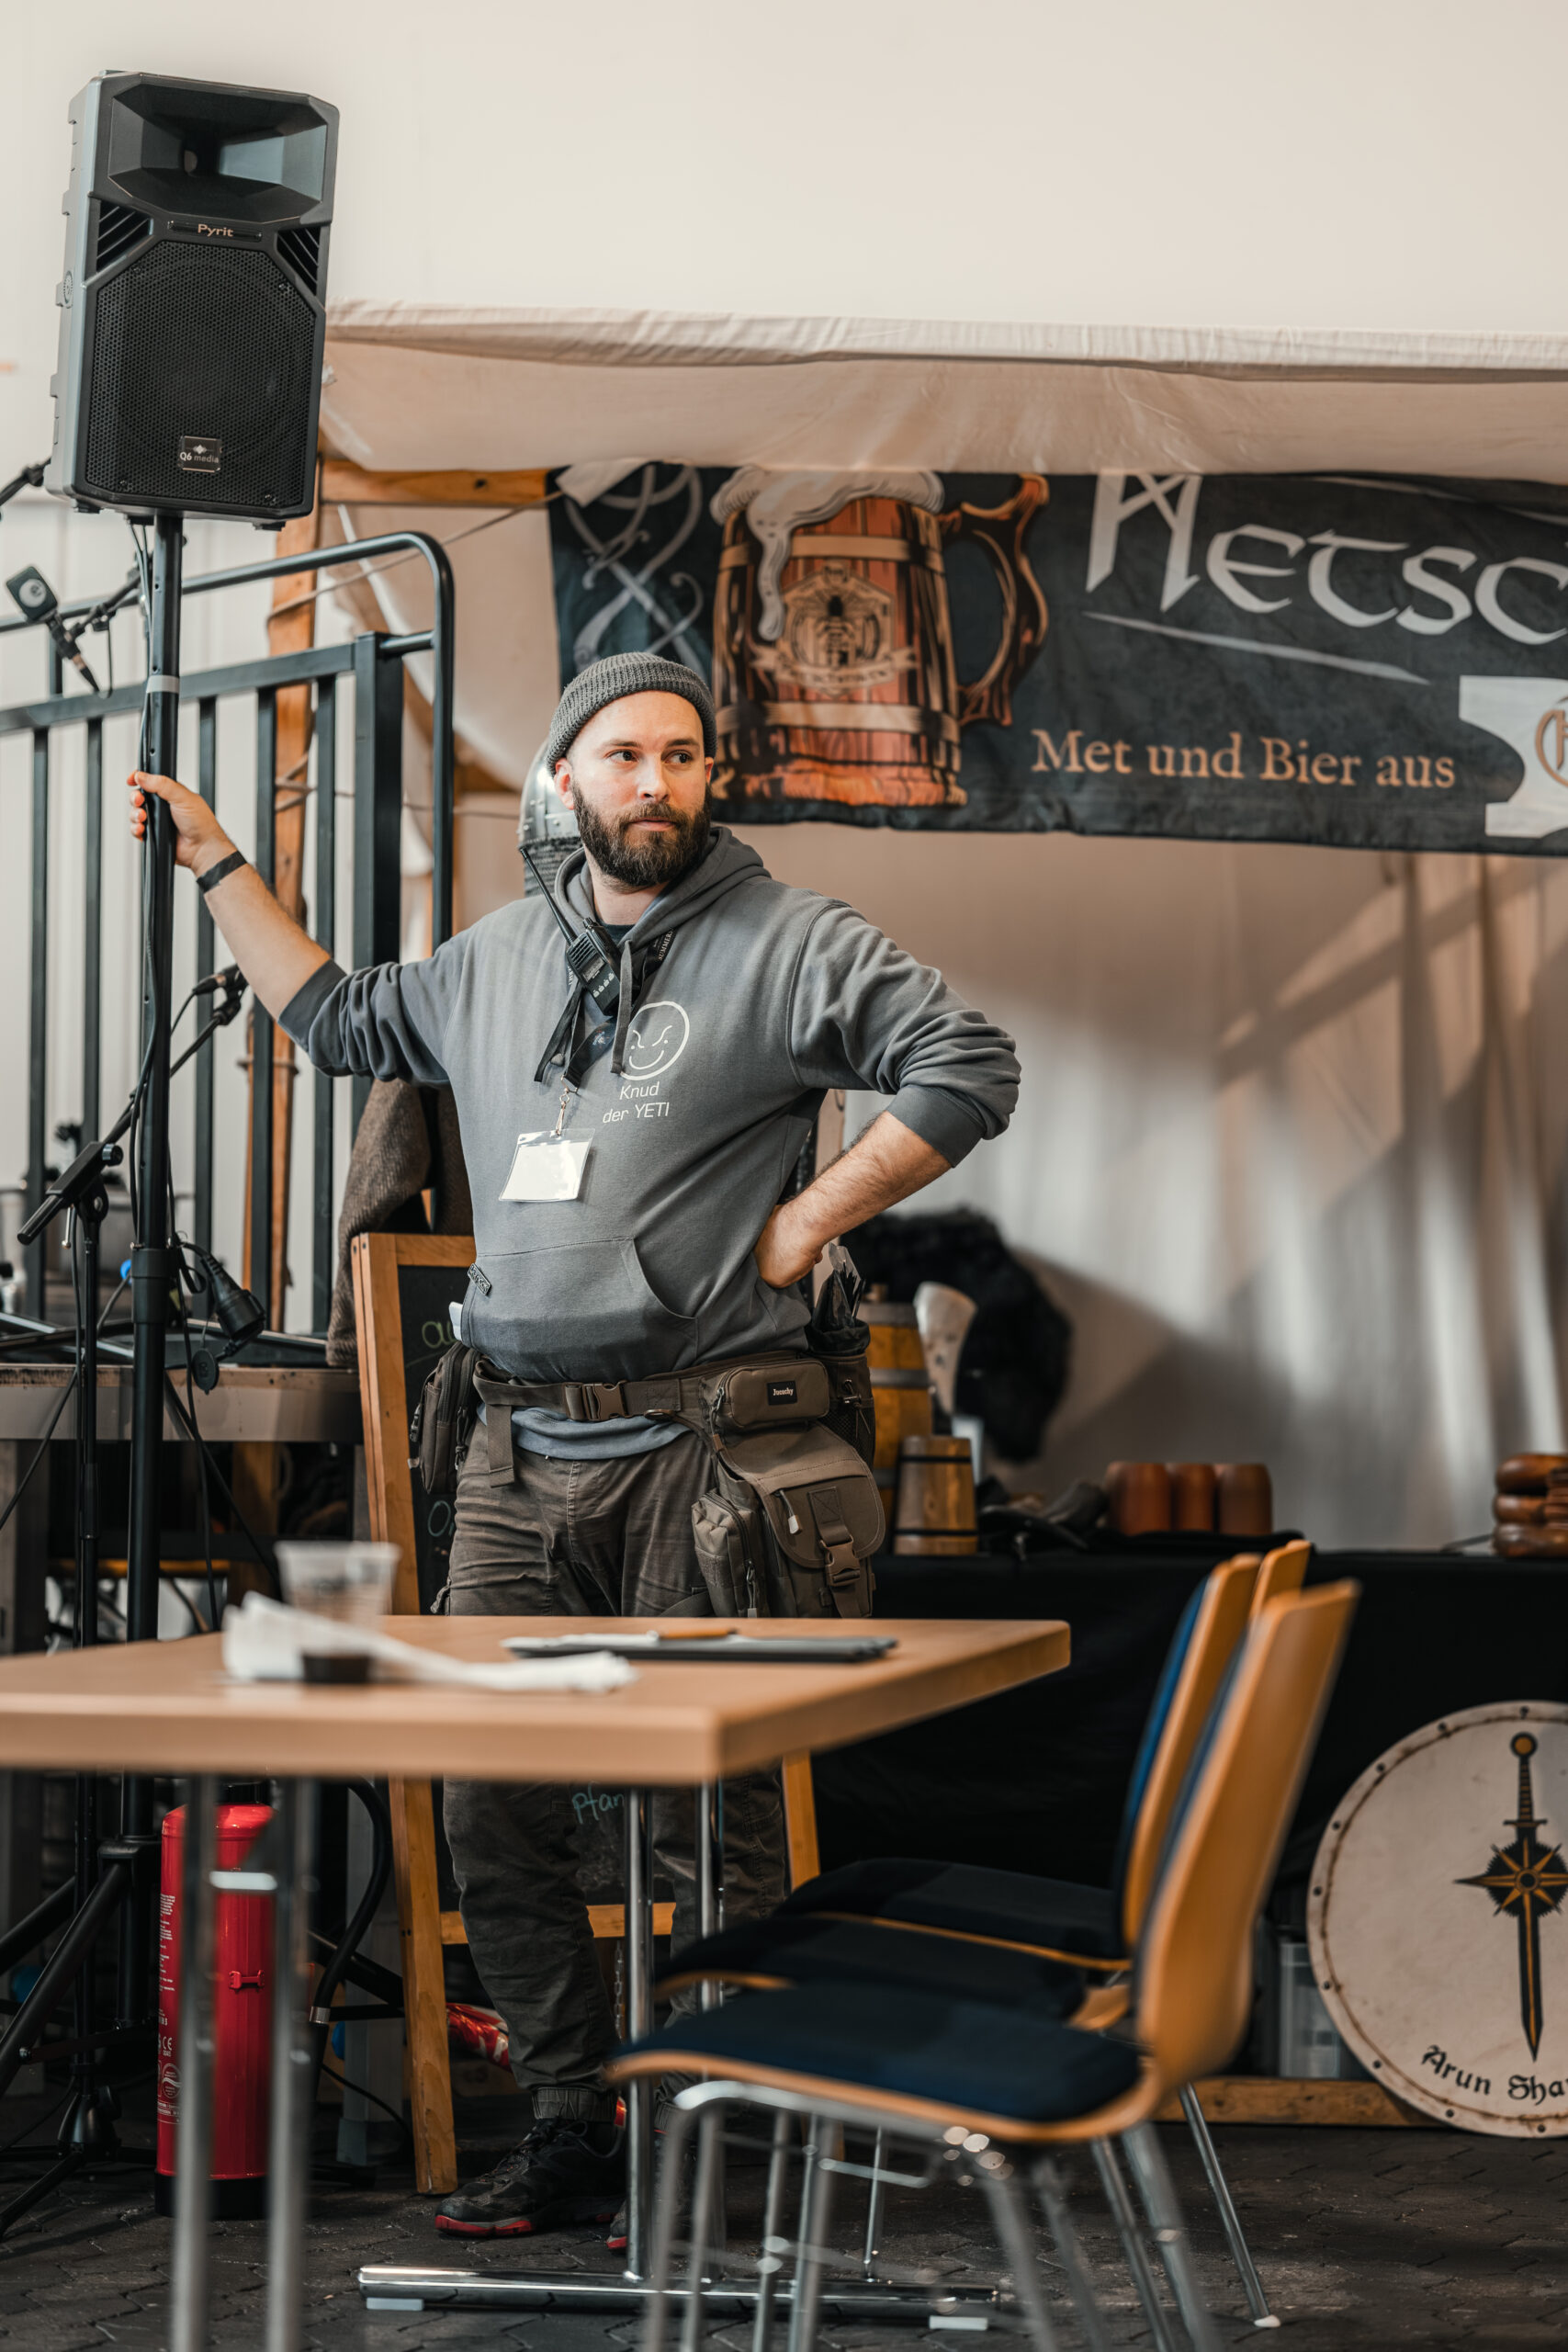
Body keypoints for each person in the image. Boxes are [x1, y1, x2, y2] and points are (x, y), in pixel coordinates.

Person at [127, 649, 1021, 2237]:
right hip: (512, 1460)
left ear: (709, 777)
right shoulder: (497, 956)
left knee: (708, 1818)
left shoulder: (788, 939)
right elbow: (337, 1020)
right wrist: (218, 863)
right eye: (623, 755)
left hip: (706, 1454)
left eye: (682, 754)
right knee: (489, 1798)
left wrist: (811, 1219)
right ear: (564, 779)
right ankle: (570, 2118)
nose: (656, 781)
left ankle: (702, 2130)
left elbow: (970, 1065)